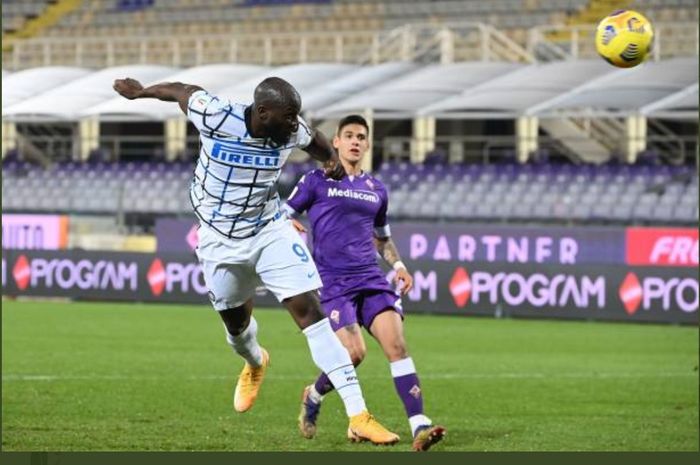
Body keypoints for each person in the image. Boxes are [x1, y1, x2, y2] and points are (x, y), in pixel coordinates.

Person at [113, 77, 399, 445]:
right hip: (217, 239)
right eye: (288, 117)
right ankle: (254, 361)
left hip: (268, 229)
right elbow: (182, 91)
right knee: (236, 328)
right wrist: (142, 93)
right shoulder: (216, 115)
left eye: (297, 117)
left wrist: (330, 159)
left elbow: (316, 141)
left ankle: (359, 414)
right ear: (263, 113)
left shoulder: (292, 131)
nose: (294, 124)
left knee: (310, 312)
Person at [283, 115, 446, 451]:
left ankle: (420, 425)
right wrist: (289, 226)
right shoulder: (315, 180)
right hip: (333, 283)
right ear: (337, 143)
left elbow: (382, 238)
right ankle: (313, 395)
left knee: (397, 346)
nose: (355, 141)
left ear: (367, 144)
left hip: (371, 279)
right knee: (353, 354)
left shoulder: (376, 190)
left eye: (361, 136)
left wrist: (398, 265)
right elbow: (283, 214)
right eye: (349, 136)